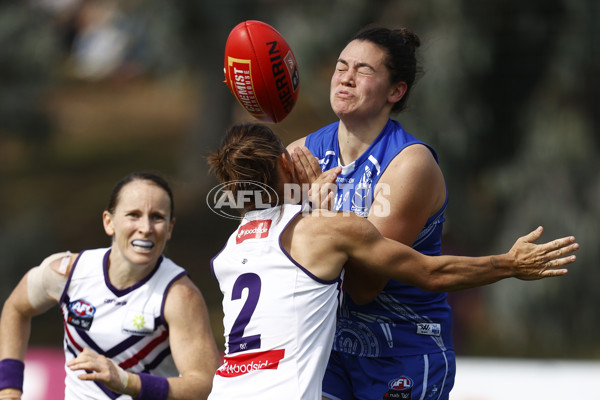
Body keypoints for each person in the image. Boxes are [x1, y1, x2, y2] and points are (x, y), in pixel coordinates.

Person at [205, 123, 578, 399]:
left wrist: (309, 205)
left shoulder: (230, 251)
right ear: (287, 164)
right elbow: (431, 273)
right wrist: (508, 264)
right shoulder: (326, 230)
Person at [285, 24, 463, 400]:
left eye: (363, 70)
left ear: (396, 91)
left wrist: (321, 216)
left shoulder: (409, 164)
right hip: (326, 350)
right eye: (341, 66)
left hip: (402, 352)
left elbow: (365, 287)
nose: (346, 78)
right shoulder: (302, 152)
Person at [0, 172, 220, 400]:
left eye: (157, 217)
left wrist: (127, 382)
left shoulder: (179, 295)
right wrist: (9, 389)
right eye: (133, 215)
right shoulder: (67, 273)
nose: (145, 227)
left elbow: (206, 385)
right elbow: (15, 309)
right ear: (109, 222)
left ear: (170, 228)